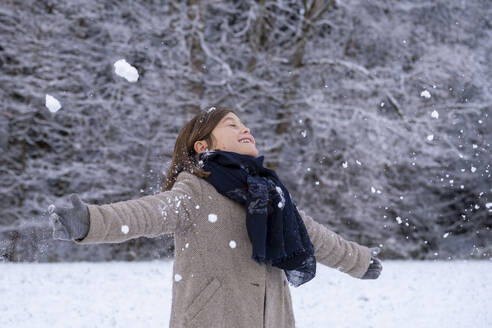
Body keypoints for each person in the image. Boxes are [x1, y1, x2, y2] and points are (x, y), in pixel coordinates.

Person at [47, 106, 383, 328]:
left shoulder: (271, 194)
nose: (245, 127)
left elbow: (317, 238)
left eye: (244, 122)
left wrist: (360, 261)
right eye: (231, 124)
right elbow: (147, 213)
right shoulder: (195, 191)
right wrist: (90, 221)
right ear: (202, 146)